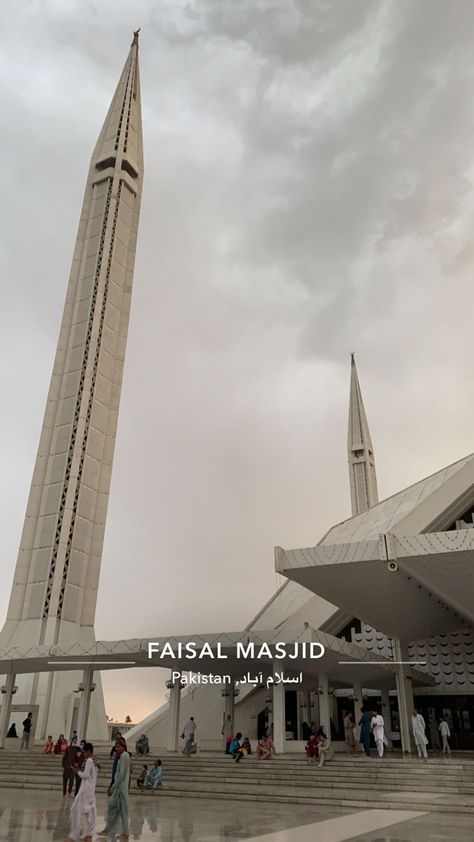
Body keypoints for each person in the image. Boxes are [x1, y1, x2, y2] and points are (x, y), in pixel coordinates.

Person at [64, 742, 97, 842]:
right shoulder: (94, 761)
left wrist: (76, 771)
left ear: (89, 751)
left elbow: (86, 776)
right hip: (90, 789)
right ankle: (88, 835)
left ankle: (74, 835)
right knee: (87, 812)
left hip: (85, 789)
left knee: (75, 810)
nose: (83, 753)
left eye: (84, 751)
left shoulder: (89, 761)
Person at [98, 738, 130, 839]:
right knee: (113, 809)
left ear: (123, 747)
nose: (116, 748)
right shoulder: (121, 756)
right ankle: (107, 830)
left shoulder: (125, 756)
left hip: (120, 788)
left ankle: (124, 833)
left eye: (118, 746)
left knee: (122, 810)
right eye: (115, 746)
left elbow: (121, 775)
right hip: (119, 788)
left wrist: (112, 788)